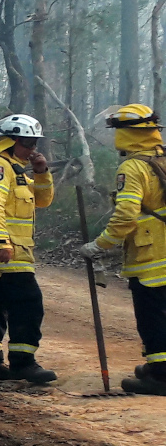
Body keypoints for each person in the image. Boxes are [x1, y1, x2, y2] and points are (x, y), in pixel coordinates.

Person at [81, 104, 166, 395]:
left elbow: (126, 215)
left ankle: (160, 376)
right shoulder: (163, 158)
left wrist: (100, 245)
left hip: (151, 255)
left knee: (152, 315)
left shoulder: (133, 167)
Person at [0, 114, 57, 385]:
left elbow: (42, 201)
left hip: (4, 251)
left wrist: (41, 172)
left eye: (34, 143)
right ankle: (22, 363)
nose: (32, 148)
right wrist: (1, 242)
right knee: (28, 304)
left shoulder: (16, 171)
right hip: (2, 252)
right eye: (27, 143)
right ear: (10, 141)